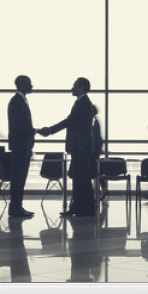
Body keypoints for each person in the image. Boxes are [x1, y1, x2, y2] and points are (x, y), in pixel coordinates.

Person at [40, 77, 96, 217]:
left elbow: (69, 122)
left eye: (74, 86)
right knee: (80, 177)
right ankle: (82, 207)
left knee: (81, 178)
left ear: (81, 87)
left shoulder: (83, 103)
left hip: (80, 146)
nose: (72, 88)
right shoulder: (82, 103)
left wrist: (50, 130)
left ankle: (85, 208)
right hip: (81, 146)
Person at [7, 76, 36, 217]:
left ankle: (17, 206)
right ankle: (15, 207)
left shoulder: (20, 101)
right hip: (20, 146)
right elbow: (20, 127)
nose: (32, 85)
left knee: (20, 178)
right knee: (18, 178)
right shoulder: (17, 102)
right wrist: (35, 131)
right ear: (21, 84)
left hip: (22, 146)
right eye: (29, 83)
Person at [92, 105, 107, 200]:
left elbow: (96, 137)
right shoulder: (95, 121)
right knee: (95, 170)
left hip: (94, 150)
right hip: (95, 149)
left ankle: (102, 188)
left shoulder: (94, 122)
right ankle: (102, 189)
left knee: (95, 170)